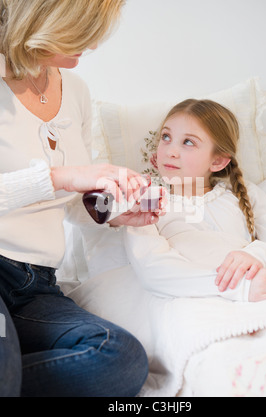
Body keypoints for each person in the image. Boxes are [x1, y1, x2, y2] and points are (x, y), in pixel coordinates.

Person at [0, 0, 164, 397]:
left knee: (119, 358)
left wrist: (116, 213)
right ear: (43, 19)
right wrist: (64, 175)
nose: (91, 45)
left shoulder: (75, 90)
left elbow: (72, 201)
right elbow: (65, 180)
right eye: (82, 30)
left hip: (35, 286)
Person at [124, 99, 266, 302]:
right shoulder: (144, 203)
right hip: (194, 301)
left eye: (188, 142)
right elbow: (153, 271)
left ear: (217, 161)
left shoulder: (243, 194)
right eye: (166, 137)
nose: (170, 151)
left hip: (259, 294)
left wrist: (256, 256)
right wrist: (240, 287)